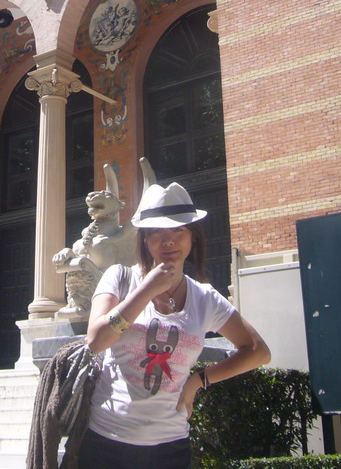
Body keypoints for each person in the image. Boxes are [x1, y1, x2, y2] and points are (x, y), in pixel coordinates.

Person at [79, 180, 271, 468]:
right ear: (144, 239)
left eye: (178, 230)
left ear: (192, 237)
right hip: (107, 442)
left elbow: (257, 351)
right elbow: (96, 341)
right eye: (157, 231)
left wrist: (198, 381)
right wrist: (145, 291)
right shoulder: (119, 278)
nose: (167, 240)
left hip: (170, 448)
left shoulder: (205, 298)